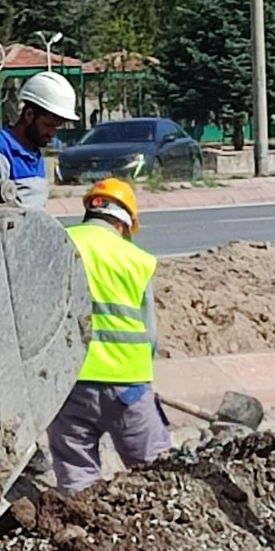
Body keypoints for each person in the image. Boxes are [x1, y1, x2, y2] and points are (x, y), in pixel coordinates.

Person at [47, 178, 170, 495]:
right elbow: (150, 334)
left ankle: (85, 535)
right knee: (158, 475)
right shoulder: (137, 261)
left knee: (77, 480)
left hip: (67, 384)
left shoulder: (58, 244)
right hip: (127, 386)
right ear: (124, 223)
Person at [0, 70, 78, 209]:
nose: (52, 133)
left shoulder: (35, 154)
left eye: (56, 127)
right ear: (29, 115)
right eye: (48, 125)